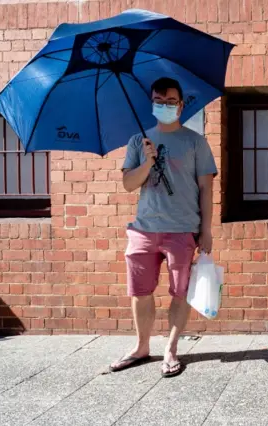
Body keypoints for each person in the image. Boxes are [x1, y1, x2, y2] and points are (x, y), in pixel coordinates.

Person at [109, 77, 217, 377]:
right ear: (152, 103)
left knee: (179, 292)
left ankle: (170, 349)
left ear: (182, 105)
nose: (166, 105)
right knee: (140, 292)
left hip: (182, 229)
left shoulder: (195, 141)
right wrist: (147, 161)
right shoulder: (137, 141)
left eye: (172, 101)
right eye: (160, 100)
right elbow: (129, 185)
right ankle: (142, 347)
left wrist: (205, 230)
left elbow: (207, 188)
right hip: (143, 230)